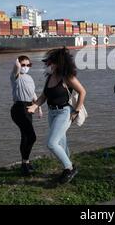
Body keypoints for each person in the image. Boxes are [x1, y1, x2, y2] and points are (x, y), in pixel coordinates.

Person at [27, 47, 86, 184]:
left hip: (64, 112)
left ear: (59, 63)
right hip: (52, 113)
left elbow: (82, 92)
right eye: (47, 63)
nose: (47, 65)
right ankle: (68, 167)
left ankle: (69, 168)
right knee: (61, 143)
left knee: (51, 143)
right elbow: (43, 96)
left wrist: (76, 111)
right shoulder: (49, 77)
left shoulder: (67, 77)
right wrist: (35, 106)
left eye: (50, 63)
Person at [10, 56, 42, 176]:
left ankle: (26, 164)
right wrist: (17, 65)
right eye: (23, 65)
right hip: (19, 108)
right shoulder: (15, 76)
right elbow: (16, 70)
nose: (26, 67)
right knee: (32, 136)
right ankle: (24, 163)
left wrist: (38, 106)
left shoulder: (29, 77)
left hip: (29, 107)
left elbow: (32, 92)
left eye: (28, 65)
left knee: (26, 136)